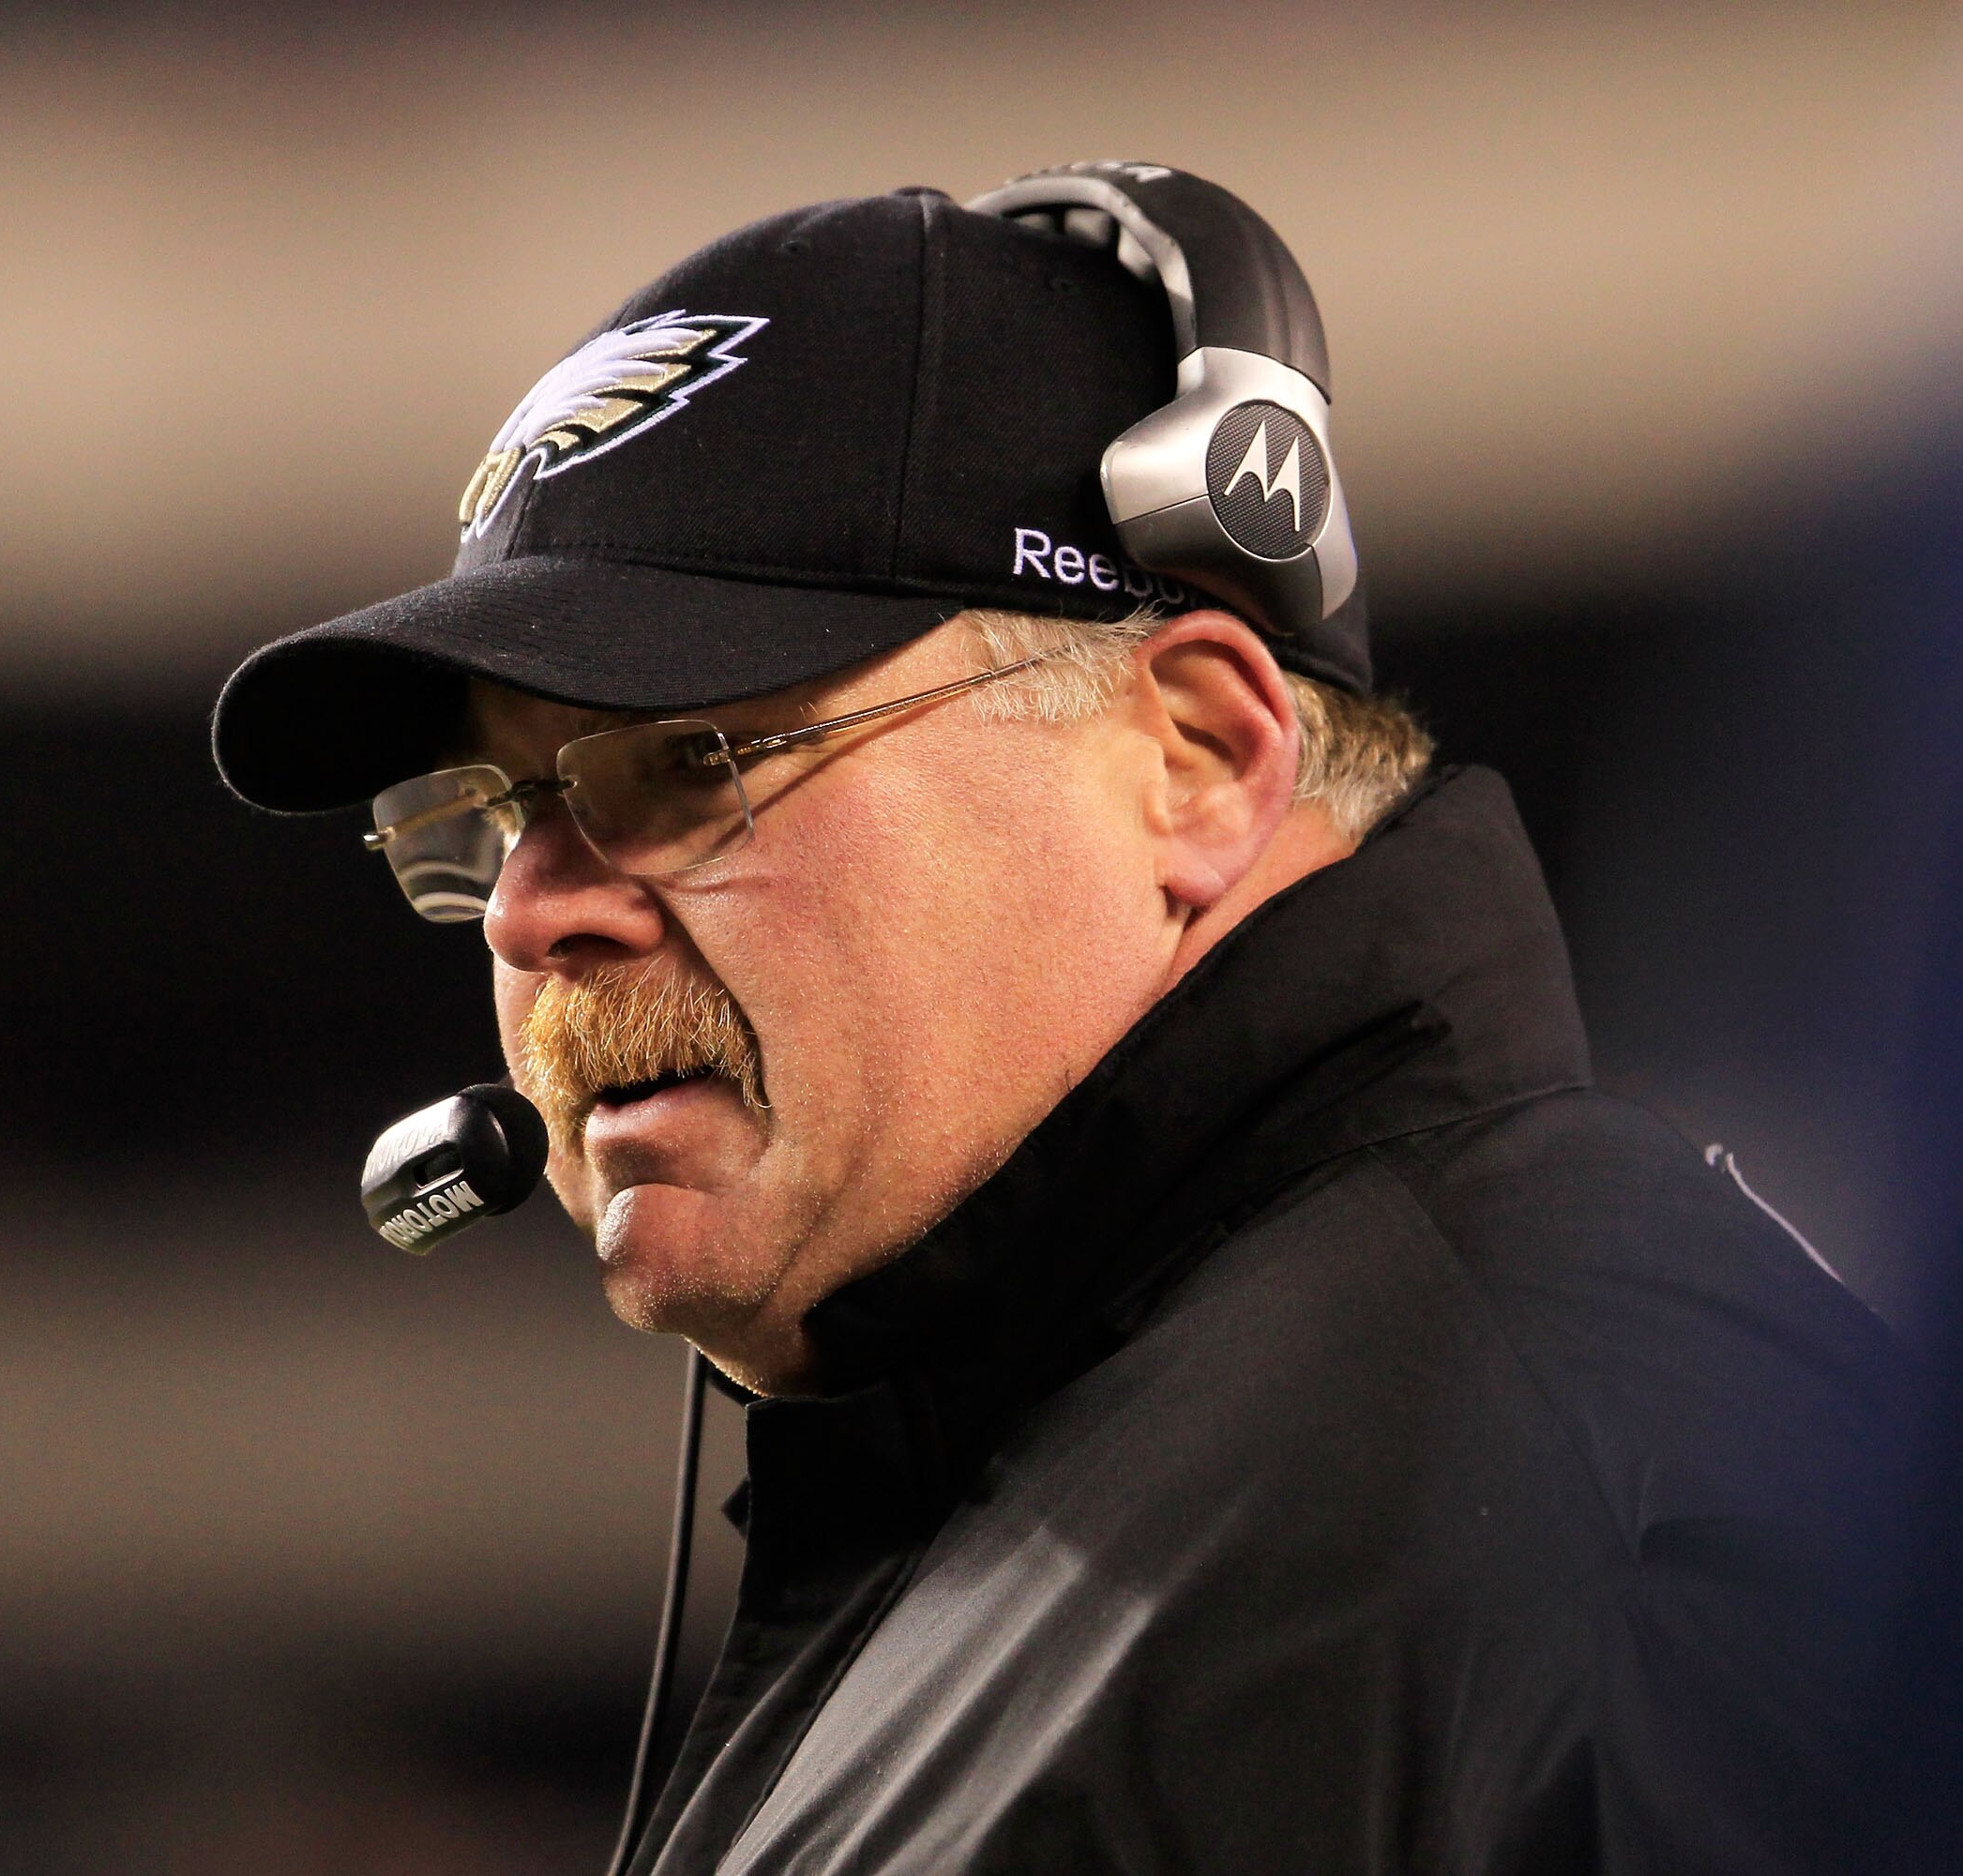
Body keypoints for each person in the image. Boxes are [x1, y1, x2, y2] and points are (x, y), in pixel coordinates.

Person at [210, 172, 1905, 1875]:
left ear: (1197, 760)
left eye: (690, 761)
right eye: (500, 817)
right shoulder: (1062, 1511)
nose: (527, 911)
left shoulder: (1602, 1523)